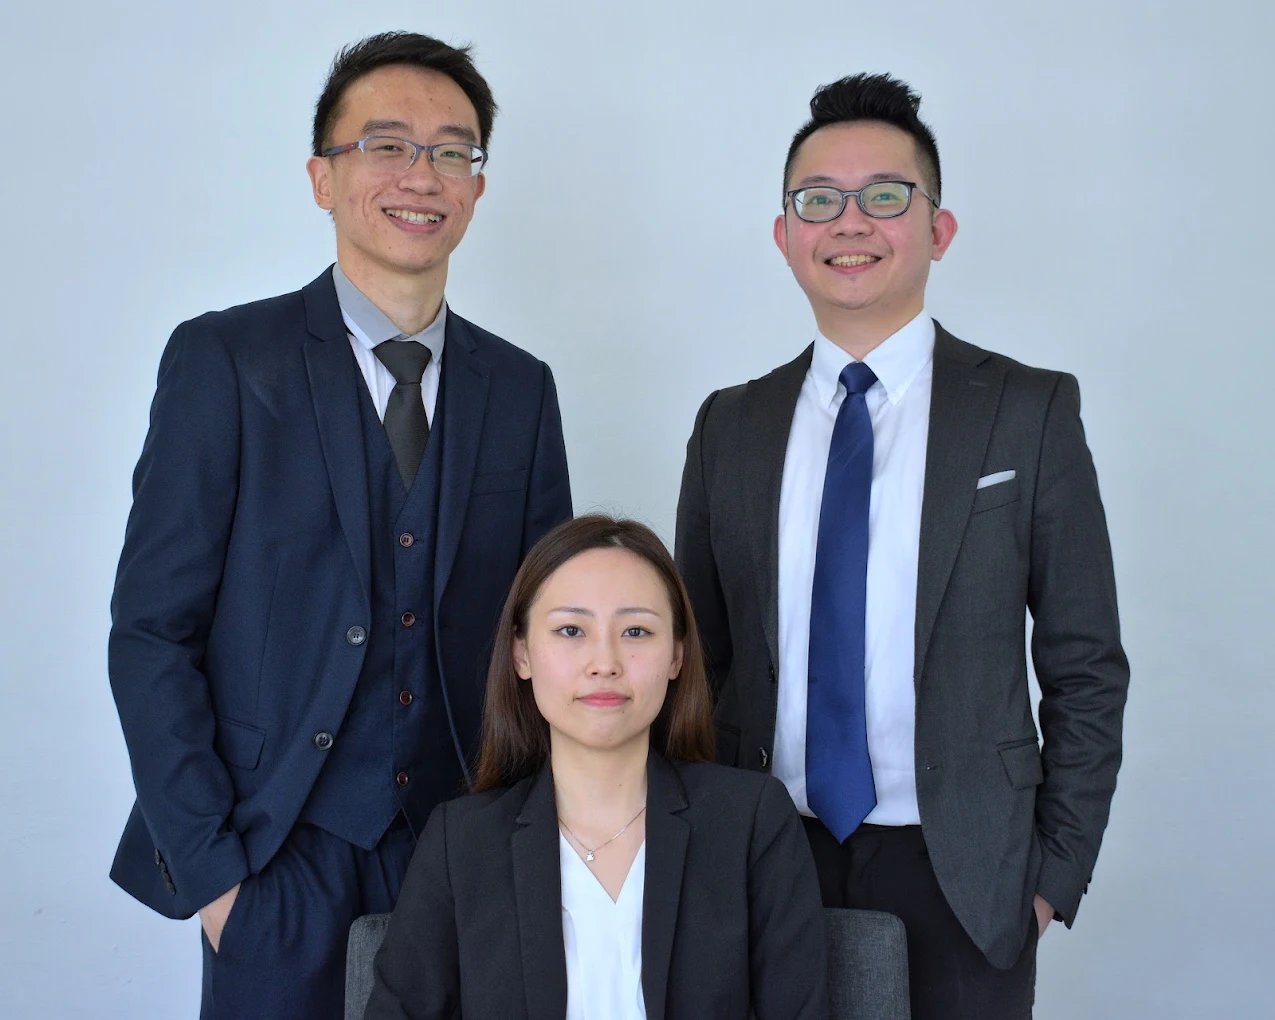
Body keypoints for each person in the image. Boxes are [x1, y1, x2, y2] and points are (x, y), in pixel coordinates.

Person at [107, 31, 572, 1019]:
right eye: (386, 144)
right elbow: (152, 631)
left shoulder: (521, 389)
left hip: (463, 855)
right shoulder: (227, 361)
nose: (421, 174)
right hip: (276, 859)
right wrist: (217, 882)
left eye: (451, 151)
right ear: (323, 177)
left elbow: (545, 638)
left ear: (477, 187)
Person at [674, 73, 1129, 1019]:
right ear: (784, 235)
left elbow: (1084, 663)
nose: (851, 222)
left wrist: (1052, 874)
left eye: (884, 196)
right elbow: (697, 662)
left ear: (938, 228)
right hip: (767, 852)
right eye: (818, 200)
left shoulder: (1027, 411)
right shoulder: (730, 427)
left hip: (966, 869)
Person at [364, 515, 827, 1019]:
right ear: (521, 653)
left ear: (676, 654)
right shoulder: (461, 844)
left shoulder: (751, 822)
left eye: (636, 631)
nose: (604, 662)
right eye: (571, 630)